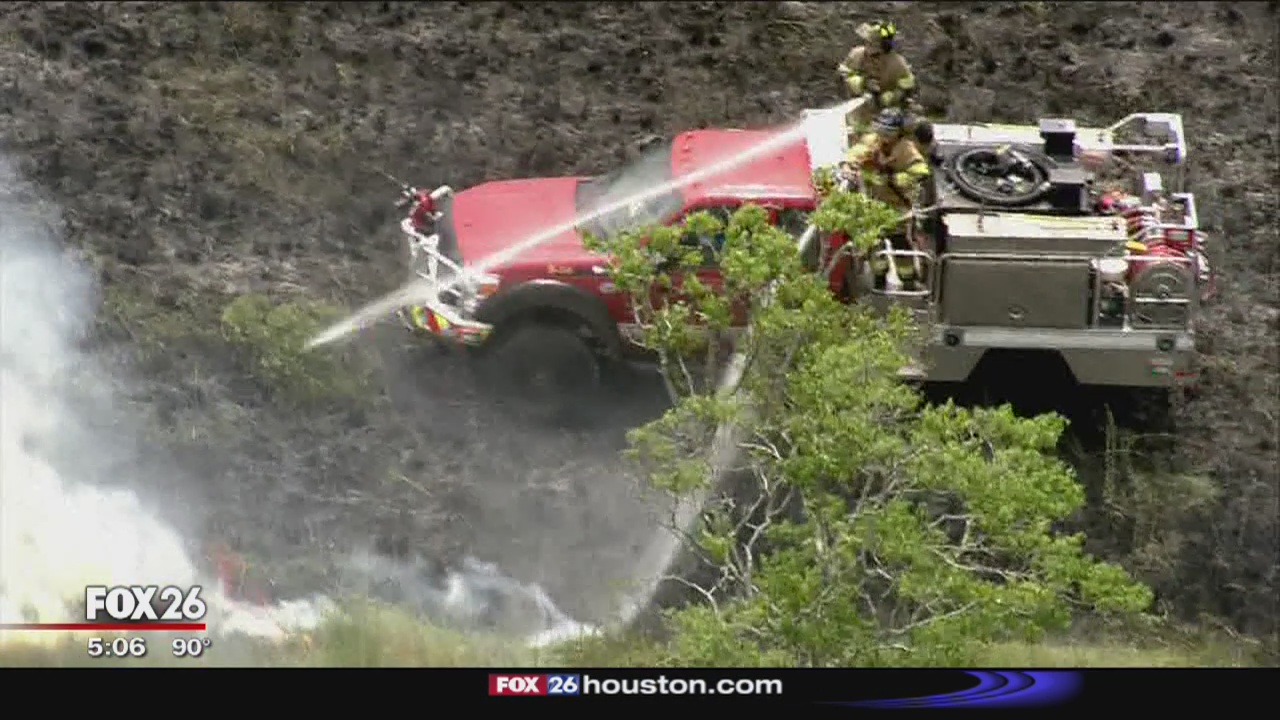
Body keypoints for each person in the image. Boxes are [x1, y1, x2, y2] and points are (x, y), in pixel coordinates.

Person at [840, 108, 932, 290]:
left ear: (897, 133)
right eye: (880, 131)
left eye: (888, 133)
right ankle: (879, 280)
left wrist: (896, 178)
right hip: (874, 207)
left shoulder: (906, 149)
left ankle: (908, 282)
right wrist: (848, 165)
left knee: (901, 249)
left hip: (898, 210)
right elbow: (857, 152)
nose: (883, 137)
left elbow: (921, 171)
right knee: (875, 247)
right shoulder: (872, 142)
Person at [838, 20, 918, 135]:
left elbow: (907, 88)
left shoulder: (898, 64)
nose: (868, 48)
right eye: (867, 43)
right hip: (856, 115)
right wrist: (863, 83)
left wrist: (887, 97)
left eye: (873, 45)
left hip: (886, 121)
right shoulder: (856, 55)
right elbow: (842, 75)